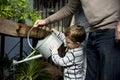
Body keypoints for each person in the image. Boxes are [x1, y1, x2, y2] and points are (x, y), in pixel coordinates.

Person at [33, 0, 120, 80]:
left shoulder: (75, 52)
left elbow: (61, 61)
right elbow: (70, 8)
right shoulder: (76, 45)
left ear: (77, 43)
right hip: (92, 31)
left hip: (111, 29)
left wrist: (54, 52)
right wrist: (46, 21)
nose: (66, 43)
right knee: (90, 75)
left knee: (108, 75)